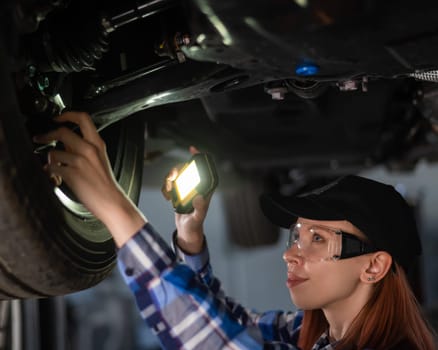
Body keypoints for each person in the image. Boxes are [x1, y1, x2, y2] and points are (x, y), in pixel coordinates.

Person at [34, 112, 437, 350]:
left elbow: (214, 343)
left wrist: (112, 204)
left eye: (318, 239)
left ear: (374, 267)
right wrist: (190, 237)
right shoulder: (317, 334)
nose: (291, 252)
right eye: (297, 234)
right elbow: (230, 325)